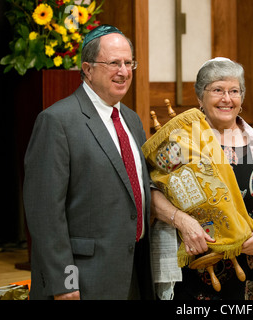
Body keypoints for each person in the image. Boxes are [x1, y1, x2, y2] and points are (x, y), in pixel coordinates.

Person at [23, 25, 155, 300]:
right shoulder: (57, 121)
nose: (124, 71)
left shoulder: (131, 120)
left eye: (129, 63)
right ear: (88, 69)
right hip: (83, 281)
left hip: (134, 274)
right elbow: (45, 213)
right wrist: (64, 282)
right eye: (114, 63)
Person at [150, 58, 253, 300]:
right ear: (200, 97)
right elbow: (151, 191)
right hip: (194, 268)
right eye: (217, 90)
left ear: (242, 98)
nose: (227, 99)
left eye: (234, 91)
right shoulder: (181, 142)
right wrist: (182, 221)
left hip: (249, 266)